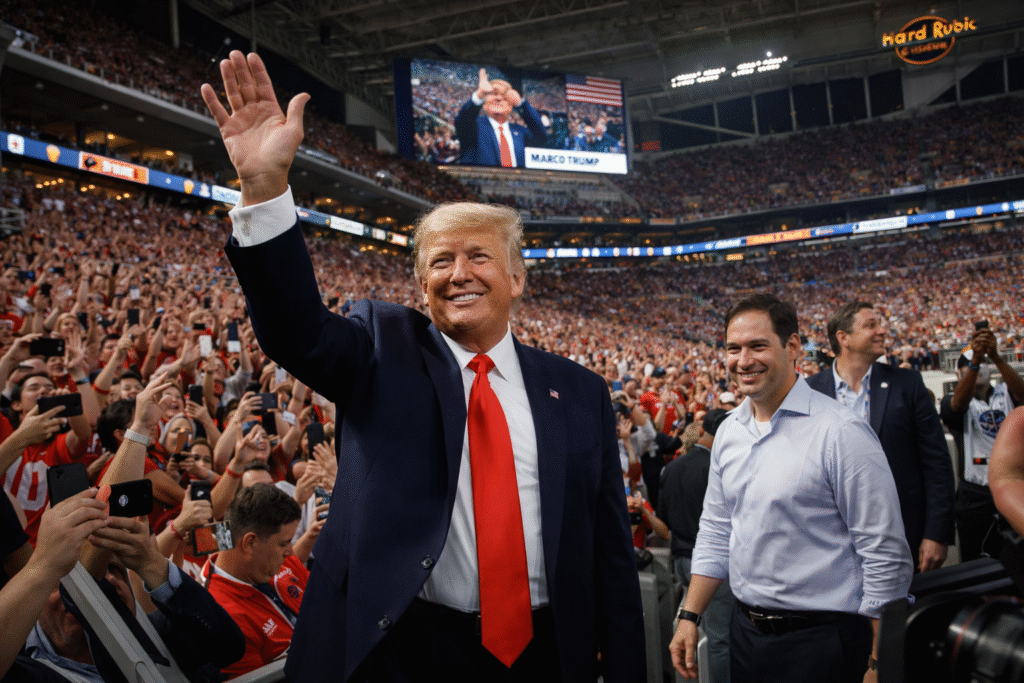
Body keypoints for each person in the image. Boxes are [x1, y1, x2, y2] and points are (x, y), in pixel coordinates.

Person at [201, 51, 644, 683]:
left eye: (478, 257)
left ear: (517, 277)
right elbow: (296, 332)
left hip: (548, 652)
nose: (459, 273)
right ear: (421, 283)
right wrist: (266, 187)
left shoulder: (578, 390)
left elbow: (608, 551)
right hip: (411, 650)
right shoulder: (383, 350)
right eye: (439, 262)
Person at [668, 293, 912, 683]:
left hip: (824, 640)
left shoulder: (841, 432)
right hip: (745, 635)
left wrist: (880, 660)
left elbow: (884, 553)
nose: (743, 360)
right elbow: (716, 528)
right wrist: (689, 615)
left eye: (757, 346)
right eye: (733, 348)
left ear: (793, 346)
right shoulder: (729, 432)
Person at [807, 302, 956, 572]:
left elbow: (937, 463)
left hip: (901, 532)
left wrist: (936, 533)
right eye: (870, 325)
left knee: (899, 613)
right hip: (832, 541)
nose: (881, 331)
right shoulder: (810, 391)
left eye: (880, 324)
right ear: (844, 338)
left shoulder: (907, 384)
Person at [658, 408, 734, 683]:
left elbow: (663, 519)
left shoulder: (672, 467)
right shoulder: (719, 467)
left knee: (690, 628)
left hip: (682, 559)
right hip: (712, 565)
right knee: (719, 638)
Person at [201, 483, 307, 679]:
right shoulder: (224, 617)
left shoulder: (278, 561)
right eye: (284, 543)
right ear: (250, 543)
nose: (291, 551)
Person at [940, 326, 1024, 561]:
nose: (976, 367)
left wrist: (996, 356)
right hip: (975, 494)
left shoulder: (1006, 392)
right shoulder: (954, 400)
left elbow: (1022, 395)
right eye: (968, 364)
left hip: (1014, 487)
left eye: (981, 362)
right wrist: (976, 359)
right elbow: (957, 406)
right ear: (959, 374)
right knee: (975, 558)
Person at [453, 68, 547, 168]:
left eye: (504, 96)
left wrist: (521, 104)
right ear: (484, 104)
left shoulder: (521, 132)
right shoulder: (474, 127)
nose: (498, 98)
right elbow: (462, 121)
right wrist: (479, 95)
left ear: (511, 106)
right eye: (493, 93)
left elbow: (541, 136)